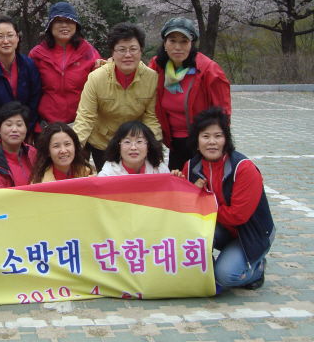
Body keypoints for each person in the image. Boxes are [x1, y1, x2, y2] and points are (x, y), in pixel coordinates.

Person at [177, 106, 275, 291]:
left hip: (251, 233)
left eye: (218, 136)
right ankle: (215, 265)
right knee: (189, 236)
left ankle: (257, 268)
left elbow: (238, 216)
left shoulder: (243, 168)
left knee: (225, 275)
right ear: (197, 140)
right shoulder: (190, 167)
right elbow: (186, 211)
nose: (212, 142)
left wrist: (202, 200)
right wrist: (182, 186)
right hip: (222, 229)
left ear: (226, 139)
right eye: (205, 136)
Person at [73, 23, 161, 172]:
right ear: (112, 52)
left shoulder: (151, 78)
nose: (128, 55)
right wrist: (73, 150)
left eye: (133, 49)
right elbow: (85, 117)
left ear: (141, 51)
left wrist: (155, 149)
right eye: (121, 49)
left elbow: (151, 118)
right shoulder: (96, 78)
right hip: (103, 144)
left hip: (135, 146)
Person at [149, 18, 232, 171]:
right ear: (164, 43)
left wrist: (218, 144)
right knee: (178, 182)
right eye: (172, 40)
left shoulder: (209, 70)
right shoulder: (157, 66)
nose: (178, 47)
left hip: (202, 143)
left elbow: (223, 113)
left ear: (192, 44)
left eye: (184, 41)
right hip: (175, 144)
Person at [29, 2, 101, 128]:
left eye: (69, 21)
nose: (64, 25)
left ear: (76, 25)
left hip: (81, 126)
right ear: (50, 25)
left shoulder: (89, 52)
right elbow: (30, 93)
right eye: (58, 21)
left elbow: (101, 87)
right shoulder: (37, 54)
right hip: (46, 127)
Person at [0, 15, 42, 136]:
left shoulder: (28, 65)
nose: (6, 41)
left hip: (25, 132)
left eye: (10, 35)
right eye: (0, 36)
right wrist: (1, 135)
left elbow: (34, 101)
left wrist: (25, 131)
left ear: (17, 37)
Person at [0, 102, 37, 188]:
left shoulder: (33, 153)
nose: (14, 129)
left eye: (19, 125)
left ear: (26, 129)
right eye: (9, 125)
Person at [29, 122, 94, 184]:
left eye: (67, 144)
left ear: (75, 147)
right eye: (56, 146)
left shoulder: (88, 173)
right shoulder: (39, 183)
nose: (63, 151)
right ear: (48, 151)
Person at [98, 121, 169, 176]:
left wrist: (174, 177)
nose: (133, 147)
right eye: (127, 142)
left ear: (148, 146)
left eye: (139, 141)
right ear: (118, 146)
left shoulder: (160, 170)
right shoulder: (108, 174)